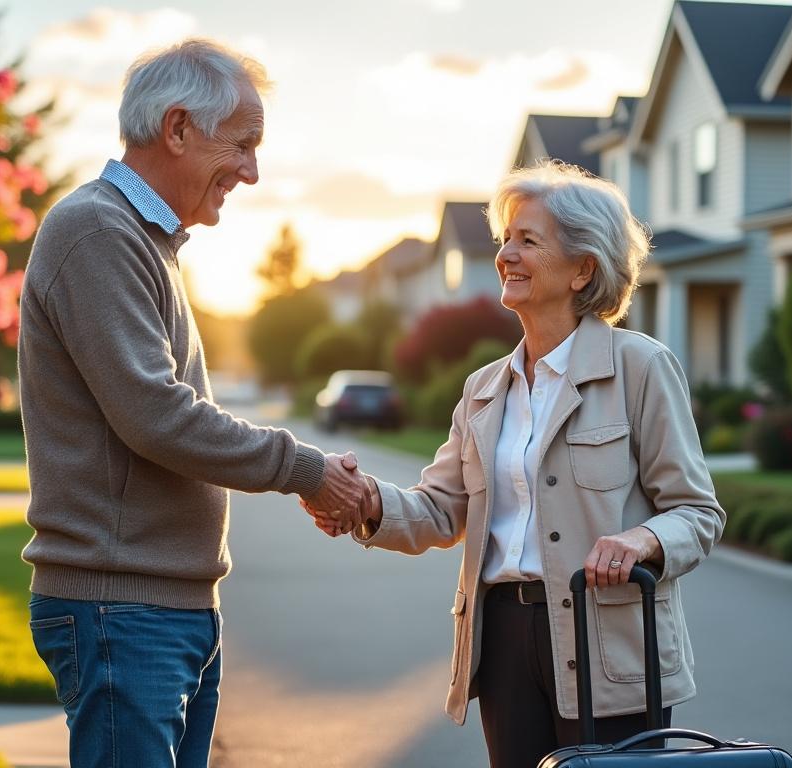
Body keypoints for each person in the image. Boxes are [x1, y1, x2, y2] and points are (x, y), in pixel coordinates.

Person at [17, 39, 370, 767]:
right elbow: (156, 415)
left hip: (159, 607)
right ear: (177, 128)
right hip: (122, 607)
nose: (251, 171)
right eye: (241, 145)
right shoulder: (97, 230)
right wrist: (305, 469)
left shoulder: (143, 240)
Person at [305, 161, 724, 768]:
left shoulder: (641, 368)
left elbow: (698, 512)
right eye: (506, 239)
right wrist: (367, 501)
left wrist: (641, 540)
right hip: (502, 639)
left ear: (583, 269)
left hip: (609, 644)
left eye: (528, 240)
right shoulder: (483, 390)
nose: (506, 255)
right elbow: (440, 508)